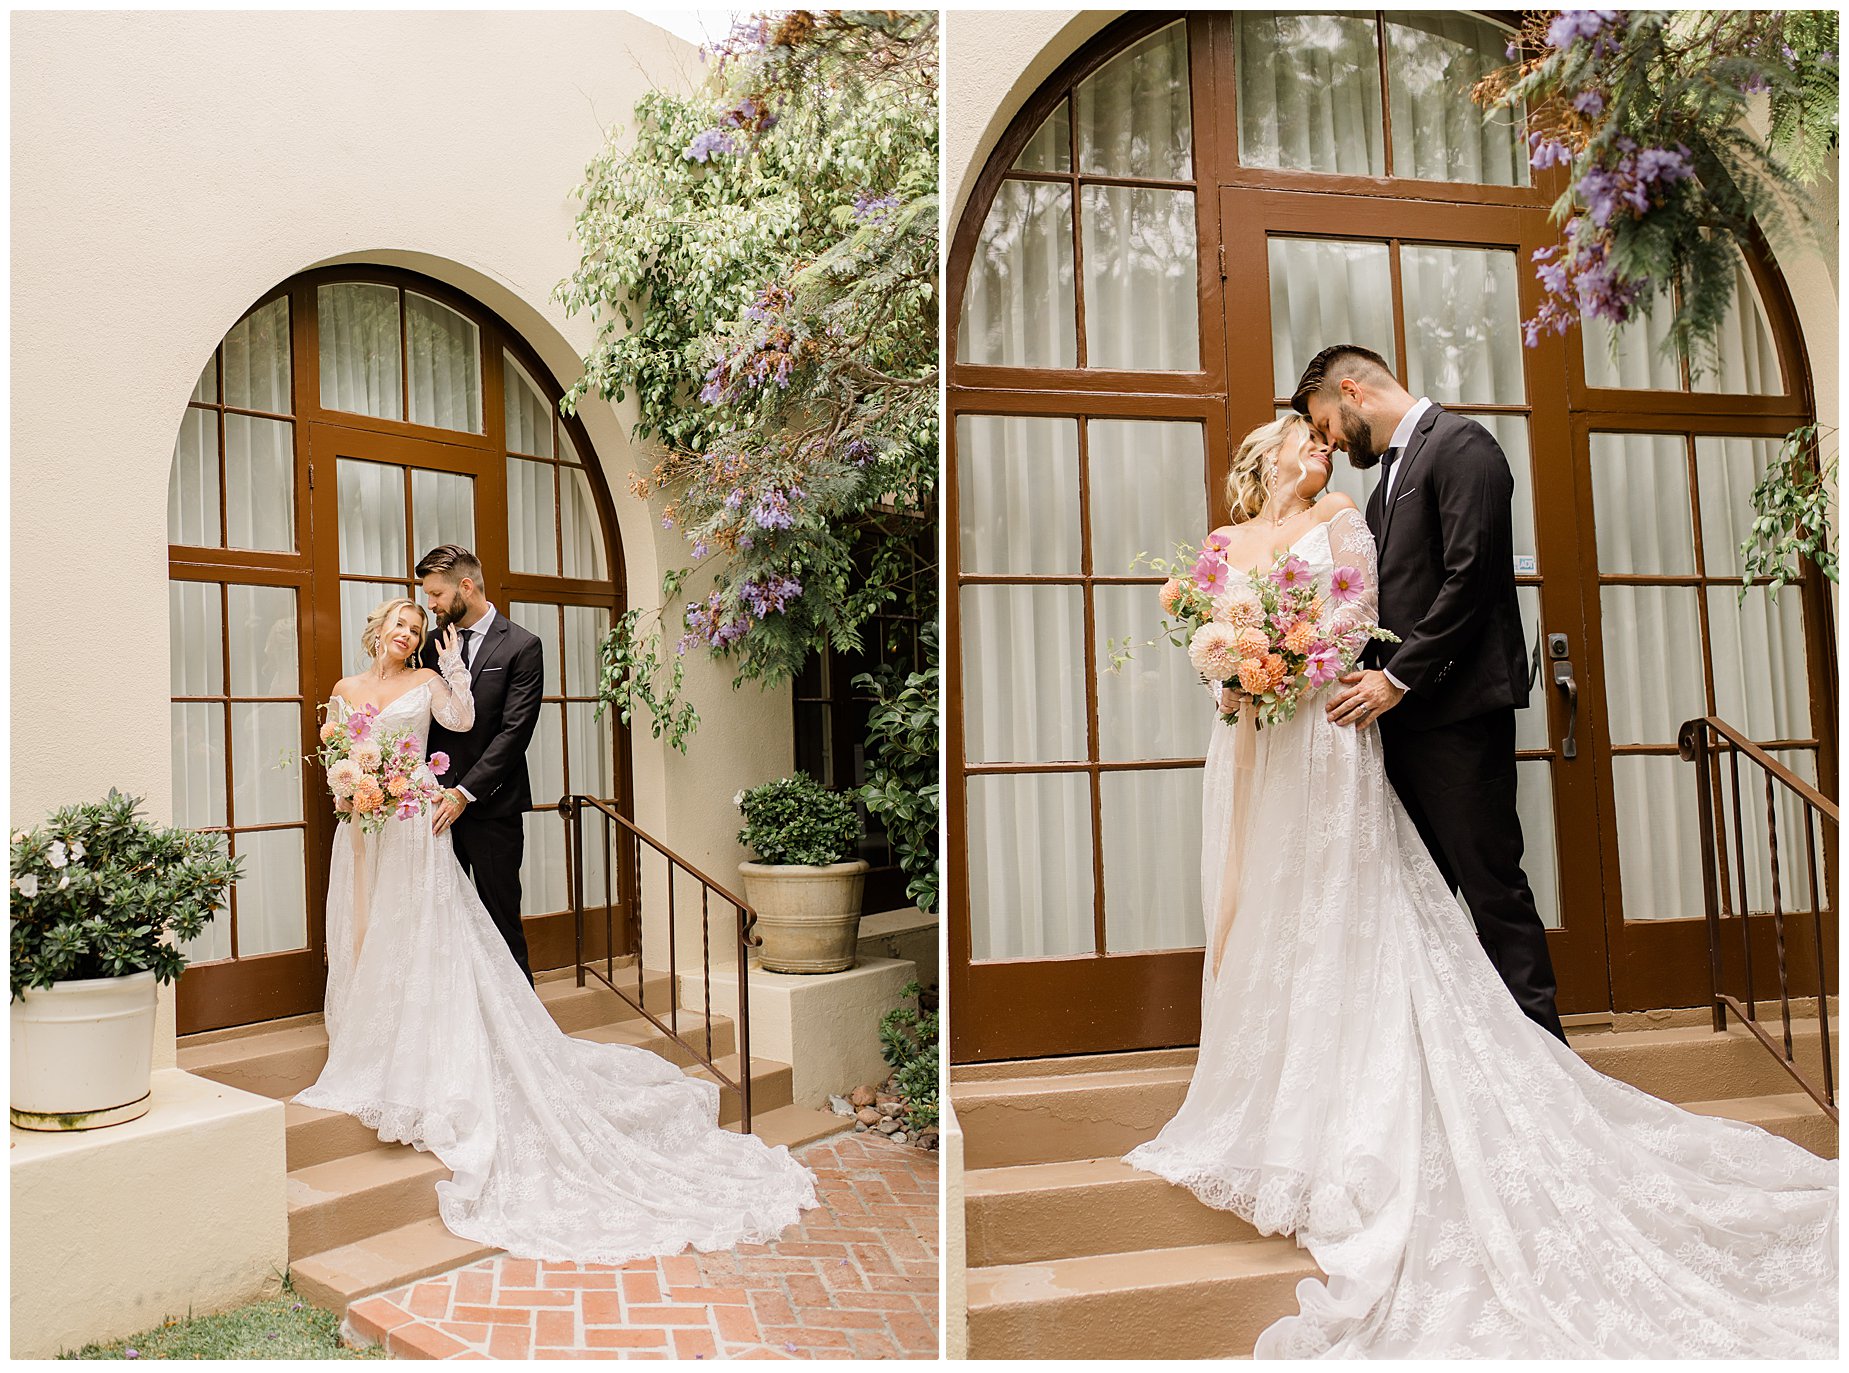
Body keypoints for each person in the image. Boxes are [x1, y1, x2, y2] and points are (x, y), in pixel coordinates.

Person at [1123, 412, 1837, 1357]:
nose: (1321, 451)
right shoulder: (1221, 546)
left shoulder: (1344, 514)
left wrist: (1290, 658)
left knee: (1350, 905)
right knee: (1271, 908)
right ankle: (1272, 1077)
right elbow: (1201, 633)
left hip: (1326, 734)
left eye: (1325, 440)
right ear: (1260, 459)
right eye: (1305, 440)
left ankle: (1414, 1080)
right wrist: (1228, 670)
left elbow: (1355, 617)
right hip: (1256, 744)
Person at [296, 597, 817, 1264]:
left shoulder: (428, 683)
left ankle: (418, 1040)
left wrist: (455, 672)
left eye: (414, 628)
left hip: (417, 823)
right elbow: (337, 749)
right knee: (369, 926)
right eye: (397, 623)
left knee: (421, 933)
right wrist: (351, 788)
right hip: (366, 826)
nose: (404, 633)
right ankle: (373, 1026)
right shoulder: (346, 689)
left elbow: (462, 720)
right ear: (376, 628)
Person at [414, 544, 542, 985]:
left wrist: (464, 793)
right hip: (434, 814)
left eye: (435, 594)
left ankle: (526, 1035)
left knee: (500, 922)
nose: (429, 605)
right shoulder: (430, 646)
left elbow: (514, 733)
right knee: (443, 924)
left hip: (491, 809)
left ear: (465, 587)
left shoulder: (523, 646)